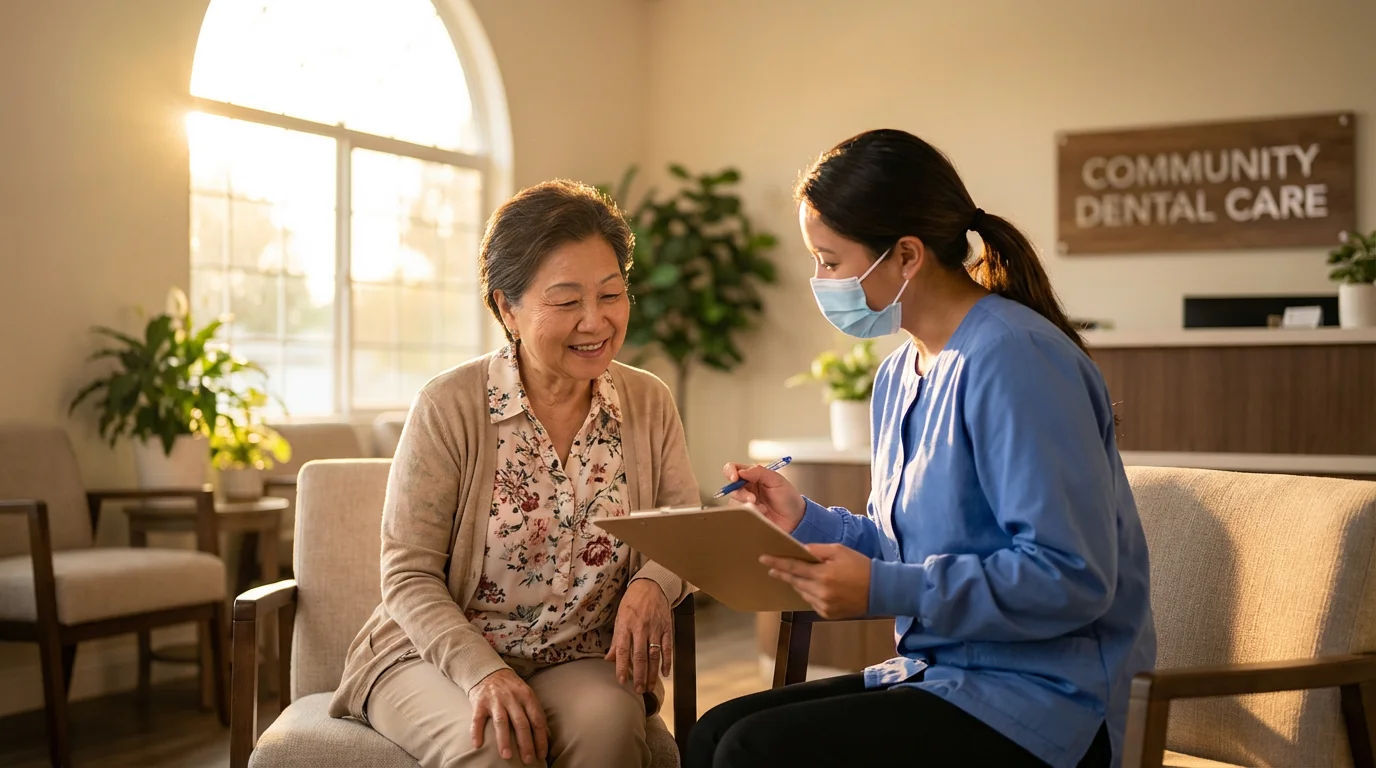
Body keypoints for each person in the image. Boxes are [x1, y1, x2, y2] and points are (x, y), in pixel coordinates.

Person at [687, 129, 1156, 768]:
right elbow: (903, 547)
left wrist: (885, 589)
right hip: (945, 677)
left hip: (1048, 705)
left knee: (753, 750)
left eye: (829, 261)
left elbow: (1072, 578)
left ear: (906, 255)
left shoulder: (1015, 359)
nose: (818, 281)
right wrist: (804, 520)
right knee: (715, 732)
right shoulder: (898, 374)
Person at [328, 180, 700, 768]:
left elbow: (683, 526)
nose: (595, 321)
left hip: (579, 657)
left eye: (611, 295)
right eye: (566, 301)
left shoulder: (647, 402)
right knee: (499, 750)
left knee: (610, 736)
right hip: (435, 659)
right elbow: (408, 574)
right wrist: (485, 675)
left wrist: (654, 582)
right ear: (508, 308)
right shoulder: (450, 405)